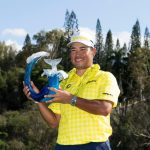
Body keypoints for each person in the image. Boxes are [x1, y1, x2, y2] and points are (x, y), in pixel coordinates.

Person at [23, 31, 120, 150]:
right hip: (63, 146)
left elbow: (104, 108)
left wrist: (70, 99)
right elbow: (54, 122)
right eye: (73, 50)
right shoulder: (63, 82)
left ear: (93, 51)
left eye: (83, 49)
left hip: (95, 145)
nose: (77, 54)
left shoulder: (105, 77)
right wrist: (37, 99)